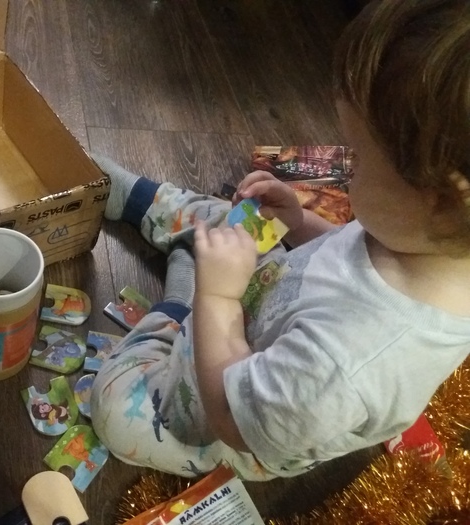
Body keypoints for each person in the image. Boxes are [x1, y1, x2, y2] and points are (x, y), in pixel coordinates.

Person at [89, 0, 470, 480]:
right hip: (253, 300)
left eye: (358, 157)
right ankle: (137, 199)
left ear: (441, 199)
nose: (347, 168)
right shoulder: (421, 239)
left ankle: (178, 300)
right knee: (238, 218)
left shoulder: (345, 368)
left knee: (115, 413)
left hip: (215, 410)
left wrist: (216, 296)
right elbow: (349, 252)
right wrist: (296, 222)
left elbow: (229, 417)